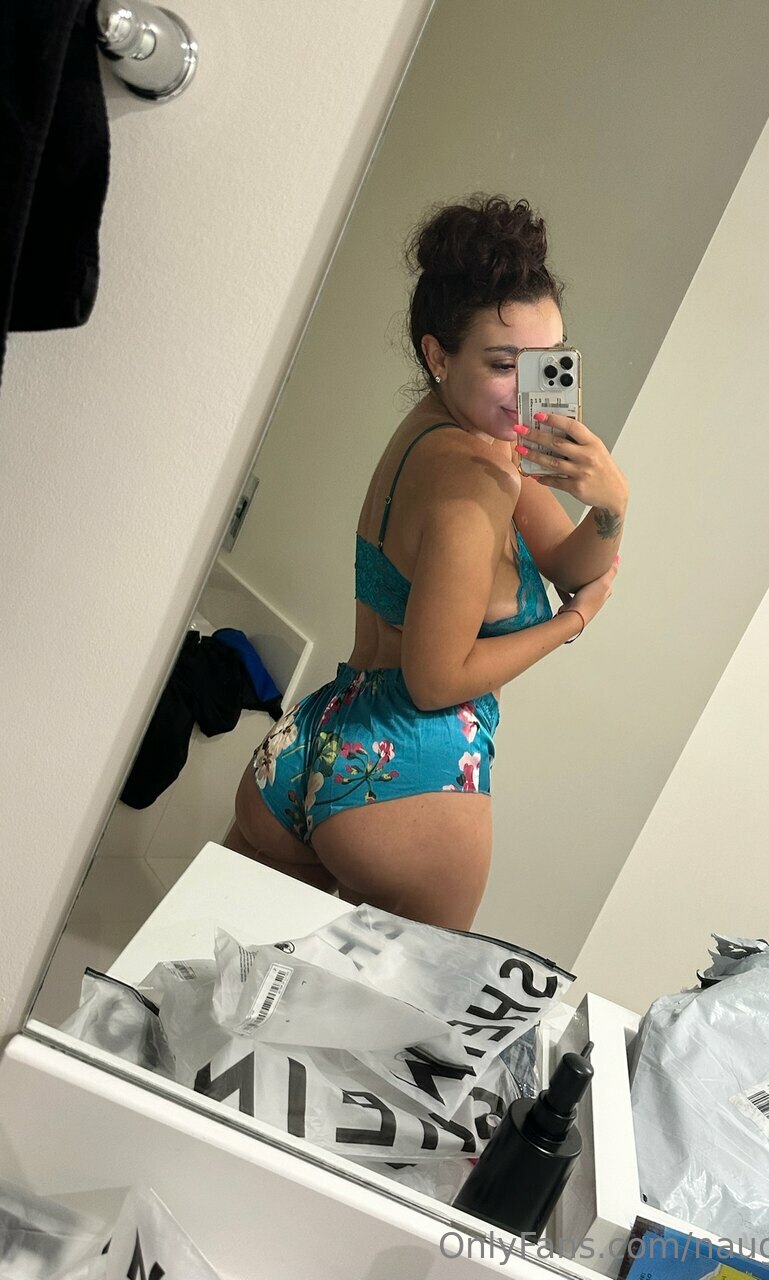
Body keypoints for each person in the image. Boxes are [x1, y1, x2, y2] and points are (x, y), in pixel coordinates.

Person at [225, 195, 627, 929]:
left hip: (312, 745)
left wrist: (608, 503)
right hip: (411, 780)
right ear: (438, 355)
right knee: (391, 1012)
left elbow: (571, 562)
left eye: (546, 363)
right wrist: (571, 624)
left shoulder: (447, 435)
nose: (527, 390)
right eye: (503, 364)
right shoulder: (474, 484)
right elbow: (435, 679)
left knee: (200, 980)